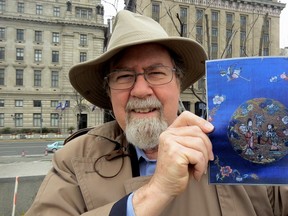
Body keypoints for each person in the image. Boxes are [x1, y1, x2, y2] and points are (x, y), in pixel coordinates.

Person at [25, 10, 288, 216]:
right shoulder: (73, 161)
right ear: (109, 92)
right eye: (124, 76)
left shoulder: (239, 145)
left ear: (178, 84)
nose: (140, 90)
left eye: (156, 73)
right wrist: (156, 191)